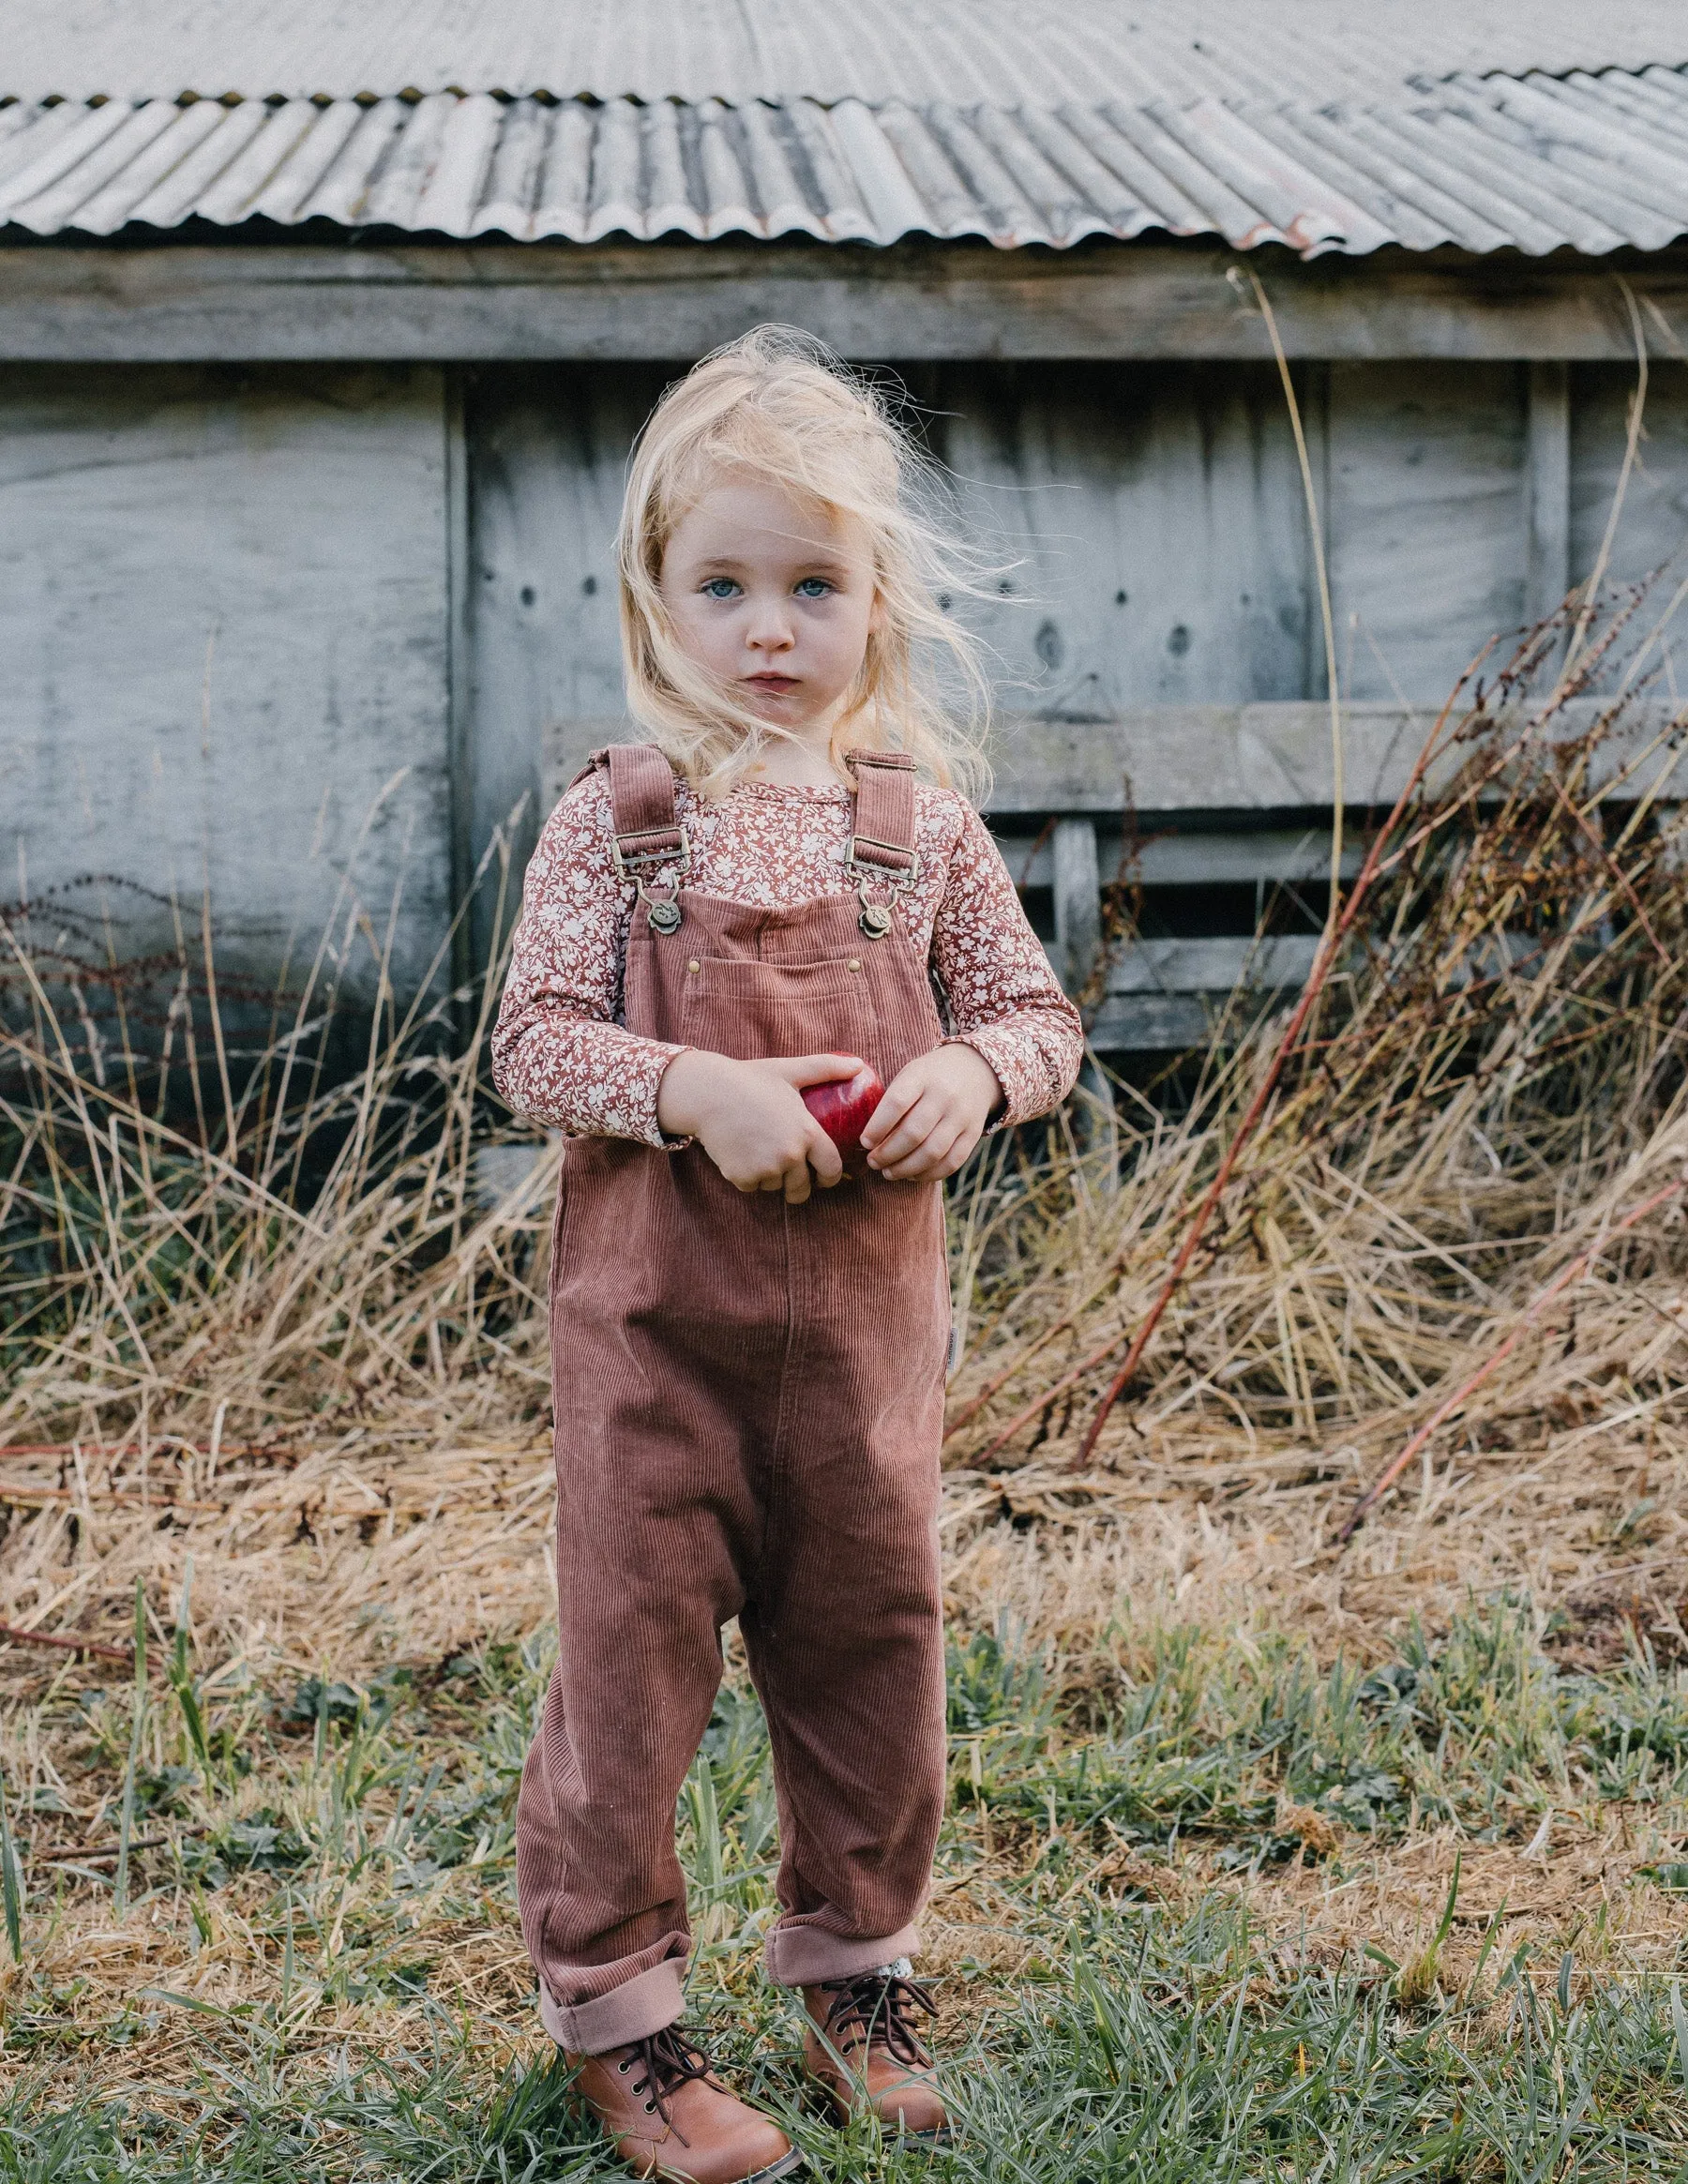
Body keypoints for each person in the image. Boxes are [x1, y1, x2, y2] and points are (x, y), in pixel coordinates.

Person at [491, 325, 1083, 2183]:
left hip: (855, 1373)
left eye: (813, 583)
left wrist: (977, 1078)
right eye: (725, 581)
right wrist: (689, 1090)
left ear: (876, 600)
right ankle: (625, 2019)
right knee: (630, 1681)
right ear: (654, 598)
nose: (769, 625)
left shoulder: (927, 836)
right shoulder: (616, 823)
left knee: (870, 1665)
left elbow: (1045, 1022)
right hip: (658, 1361)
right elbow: (528, 1048)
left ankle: (854, 1972)